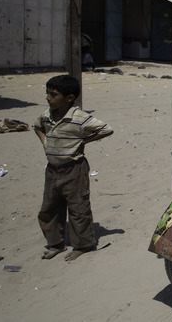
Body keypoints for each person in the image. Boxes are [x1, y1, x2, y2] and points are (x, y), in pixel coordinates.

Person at [33, 75, 113, 261]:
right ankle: (55, 244)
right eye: (47, 93)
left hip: (74, 170)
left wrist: (82, 141)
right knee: (49, 209)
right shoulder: (47, 115)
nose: (48, 98)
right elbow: (36, 126)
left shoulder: (79, 118)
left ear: (69, 98)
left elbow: (106, 129)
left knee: (78, 209)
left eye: (53, 94)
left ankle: (82, 245)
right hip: (52, 170)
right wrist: (45, 142)